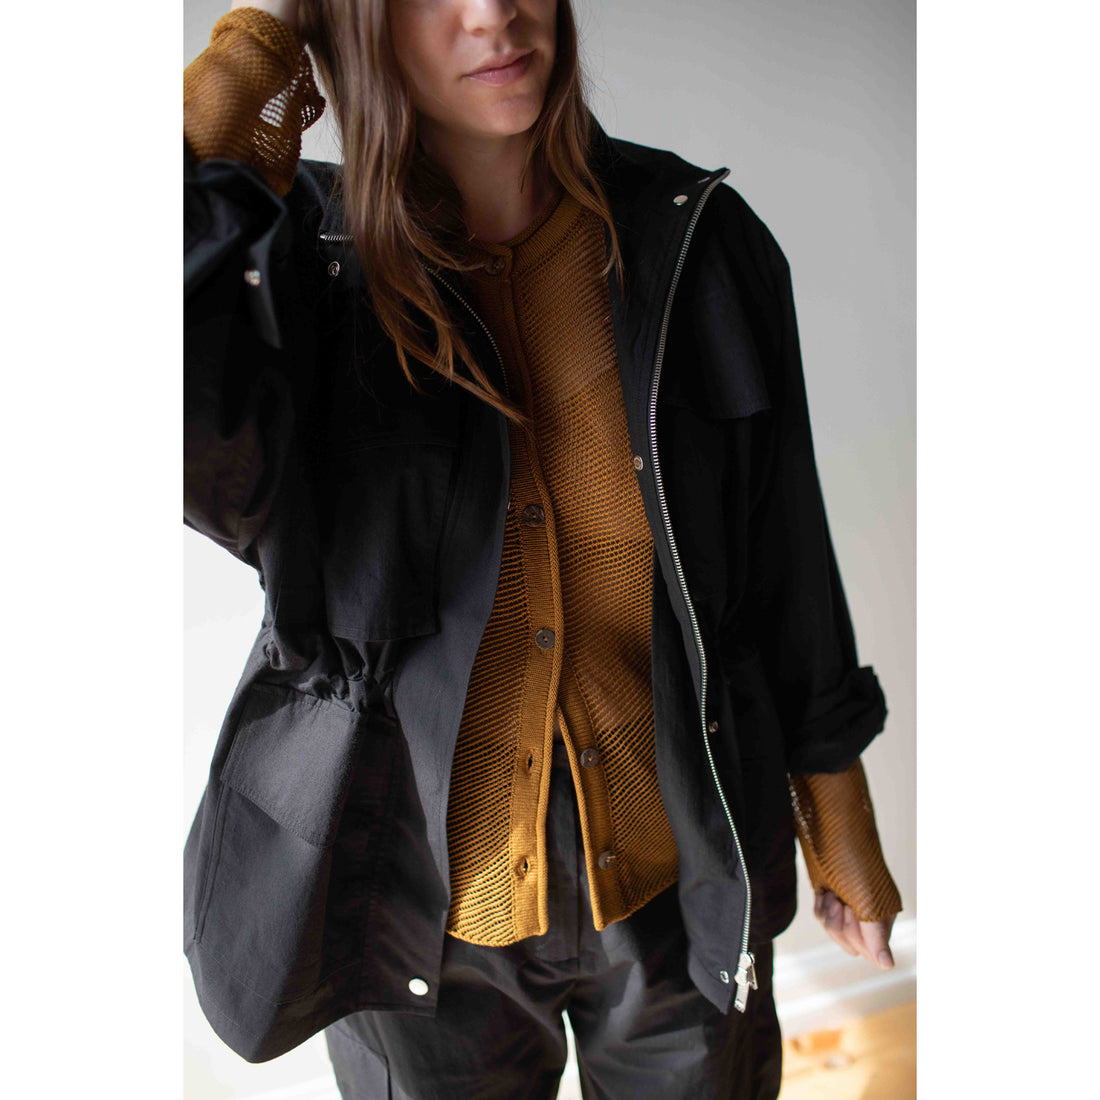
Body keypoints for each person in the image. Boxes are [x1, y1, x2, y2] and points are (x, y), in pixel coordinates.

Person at [183, 1, 903, 1096]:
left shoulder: (696, 241)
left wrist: (838, 816)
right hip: (411, 919)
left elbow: (781, 556)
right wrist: (257, 55)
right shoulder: (304, 271)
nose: (493, 13)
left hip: (678, 892)